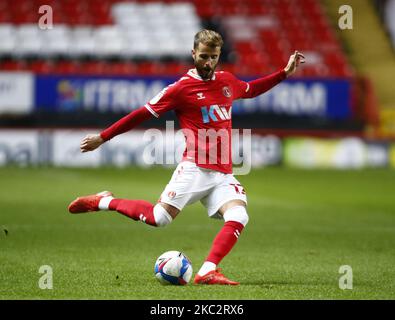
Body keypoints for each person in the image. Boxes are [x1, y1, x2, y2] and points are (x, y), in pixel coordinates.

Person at [68, 29, 305, 285]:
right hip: (194, 168)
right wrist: (103, 137)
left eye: (213, 57)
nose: (208, 62)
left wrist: (284, 73)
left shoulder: (227, 81)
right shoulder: (180, 89)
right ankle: (105, 201)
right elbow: (141, 114)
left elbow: (252, 88)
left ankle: (208, 271)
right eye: (203, 56)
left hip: (223, 173)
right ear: (193, 54)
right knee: (159, 219)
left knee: (239, 216)